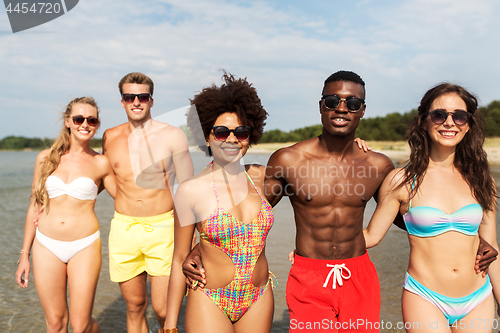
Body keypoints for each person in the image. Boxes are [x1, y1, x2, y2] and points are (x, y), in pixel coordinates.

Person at [182, 71, 497, 332]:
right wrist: (205, 241)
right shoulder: (288, 159)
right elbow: (251, 212)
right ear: (321, 106)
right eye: (333, 100)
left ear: (362, 110)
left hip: (358, 275)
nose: (342, 108)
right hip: (308, 276)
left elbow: (408, 215)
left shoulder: (377, 165)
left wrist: (470, 238)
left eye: (353, 102)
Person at [363, 83, 499, 330]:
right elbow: (370, 237)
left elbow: (492, 249)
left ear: (468, 125)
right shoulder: (402, 180)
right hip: (425, 297)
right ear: (424, 122)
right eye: (439, 115)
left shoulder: (482, 179)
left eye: (459, 116)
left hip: (478, 296)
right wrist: (312, 247)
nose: (449, 122)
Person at [163, 73, 275, 333]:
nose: (232, 139)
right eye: (222, 132)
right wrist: (169, 325)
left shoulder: (260, 177)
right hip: (210, 299)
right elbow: (179, 256)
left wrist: (352, 144)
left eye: (241, 132)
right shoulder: (190, 190)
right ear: (206, 136)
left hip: (259, 297)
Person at [102, 72, 193, 333]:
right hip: (124, 228)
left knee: (164, 310)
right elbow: (103, 174)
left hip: (163, 226)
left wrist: (195, 238)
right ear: (122, 102)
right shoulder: (110, 137)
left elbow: (188, 187)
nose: (136, 102)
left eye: (142, 96)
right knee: (134, 305)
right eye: (129, 97)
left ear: (151, 100)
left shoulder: (173, 135)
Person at [15, 97, 116, 333]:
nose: (85, 124)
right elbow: (35, 206)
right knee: (56, 322)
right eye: (79, 119)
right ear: (68, 121)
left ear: (97, 124)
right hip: (46, 245)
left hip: (85, 245)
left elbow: (123, 198)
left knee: (81, 326)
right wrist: (24, 255)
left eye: (92, 120)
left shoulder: (101, 162)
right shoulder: (45, 158)